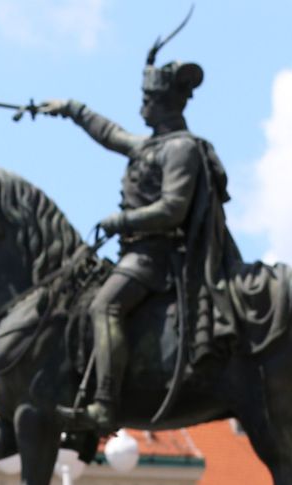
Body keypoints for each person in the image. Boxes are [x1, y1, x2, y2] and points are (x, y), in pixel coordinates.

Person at [35, 42, 260, 430]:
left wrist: (121, 222)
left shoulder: (181, 150)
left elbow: (172, 209)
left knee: (104, 306)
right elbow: (109, 133)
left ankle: (104, 405)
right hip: (135, 254)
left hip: (158, 258)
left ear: (165, 103)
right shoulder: (150, 146)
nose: (141, 108)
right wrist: (71, 109)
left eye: (147, 100)